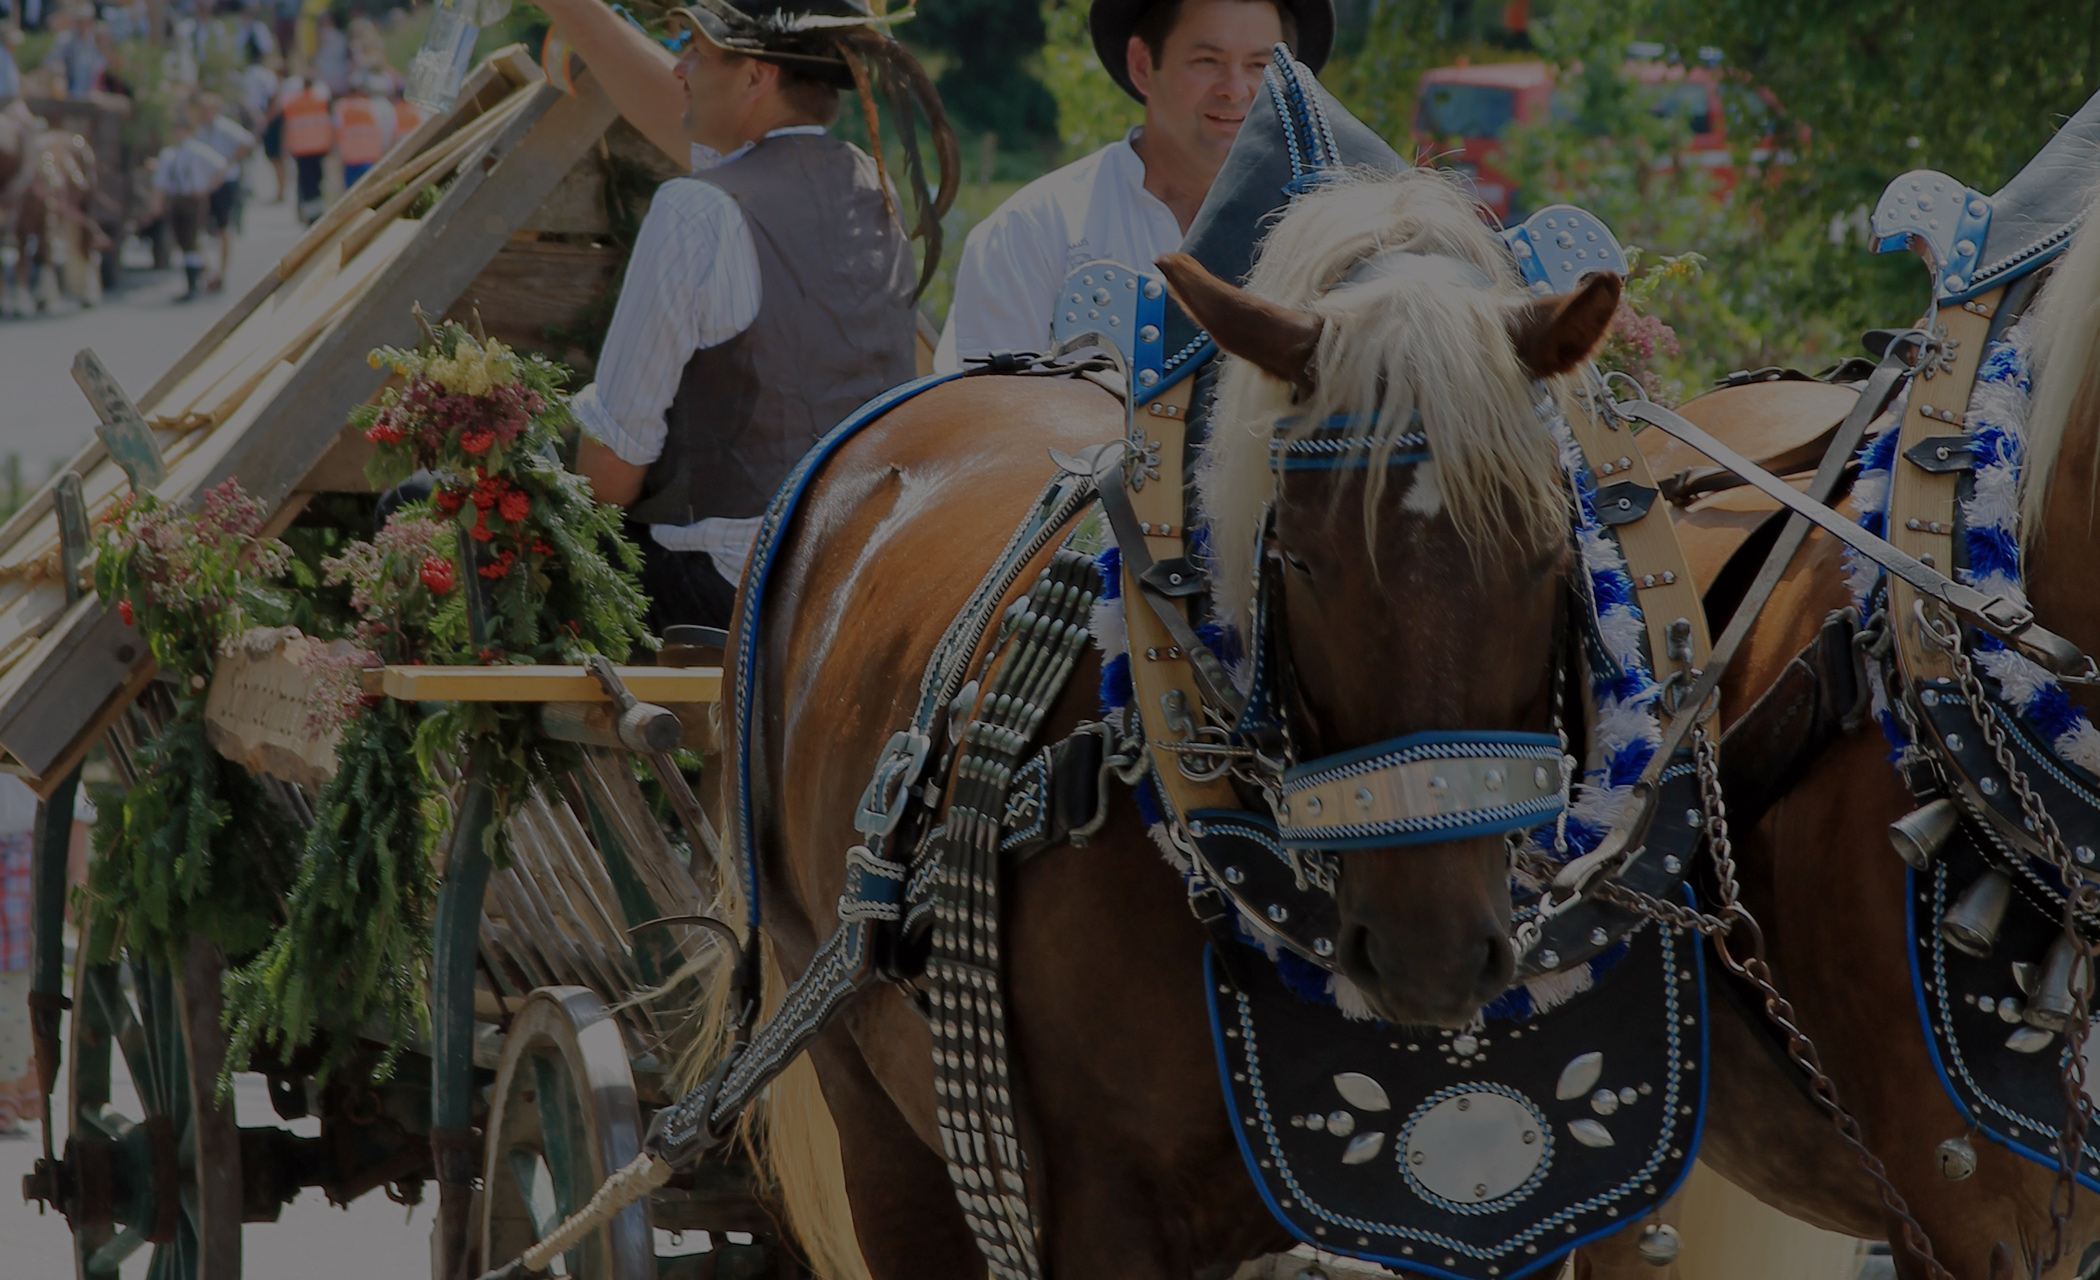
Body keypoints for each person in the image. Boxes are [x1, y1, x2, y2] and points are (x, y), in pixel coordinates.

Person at [531, 0, 953, 631]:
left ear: (757, 77)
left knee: (436, 509)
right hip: (865, 574)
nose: (680, 70)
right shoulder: (874, 186)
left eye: (696, 52)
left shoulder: (695, 210)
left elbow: (608, 482)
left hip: (733, 590)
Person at [934, 0, 1331, 371]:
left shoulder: (1325, 236)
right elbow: (979, 423)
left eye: (1258, 65)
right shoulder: (1032, 232)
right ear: (1142, 65)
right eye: (1207, 60)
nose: (1234, 88)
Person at [149, 106, 230, 300]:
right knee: (182, 241)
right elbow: (161, 182)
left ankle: (194, 284)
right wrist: (156, 203)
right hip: (177, 198)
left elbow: (221, 166)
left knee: (192, 238)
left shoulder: (198, 151)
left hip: (193, 199)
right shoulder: (169, 154)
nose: (178, 133)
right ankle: (195, 279)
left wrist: (206, 188)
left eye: (181, 129)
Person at [197, 92, 256, 289]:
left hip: (225, 182)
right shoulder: (201, 131)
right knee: (199, 228)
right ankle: (208, 271)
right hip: (206, 183)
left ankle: (221, 272)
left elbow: (247, 142)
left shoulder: (225, 128)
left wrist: (228, 163)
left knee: (223, 228)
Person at [277, 61, 331, 222]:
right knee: (317, 181)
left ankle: (309, 216)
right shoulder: (320, 100)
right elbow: (328, 123)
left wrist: (284, 147)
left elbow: (286, 126)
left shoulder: (292, 102)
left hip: (300, 149)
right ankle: (317, 214)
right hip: (318, 147)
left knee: (304, 183)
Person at [331, 71, 391, 186]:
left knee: (351, 192)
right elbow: (381, 129)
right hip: (370, 156)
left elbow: (336, 131)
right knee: (368, 189)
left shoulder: (342, 108)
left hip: (350, 158)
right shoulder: (370, 106)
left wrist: (336, 154)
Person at [240, 49, 282, 199]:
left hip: (251, 116)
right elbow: (273, 94)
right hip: (264, 115)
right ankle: (280, 190)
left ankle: (249, 186)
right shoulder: (266, 75)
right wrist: (264, 118)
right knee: (273, 156)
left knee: (252, 155)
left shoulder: (245, 75)